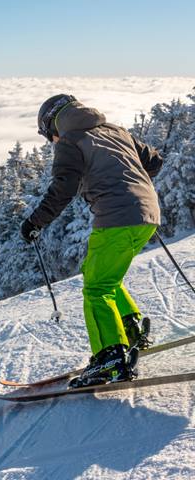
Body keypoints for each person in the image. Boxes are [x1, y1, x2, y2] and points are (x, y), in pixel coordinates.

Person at [20, 94, 163, 388]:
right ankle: (130, 327)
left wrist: (35, 222)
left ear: (53, 126)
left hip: (117, 219)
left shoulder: (71, 142)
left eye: (50, 136)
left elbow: (63, 188)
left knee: (96, 288)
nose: (53, 141)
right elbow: (154, 161)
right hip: (149, 213)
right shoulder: (116, 131)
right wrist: (130, 185)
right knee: (100, 275)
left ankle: (111, 358)